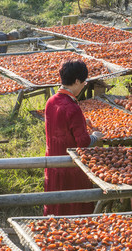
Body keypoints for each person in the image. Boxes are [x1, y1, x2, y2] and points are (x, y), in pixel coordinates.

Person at [44, 60, 103, 216]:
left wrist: (82, 122)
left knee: (55, 203)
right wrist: (95, 137)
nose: (84, 85)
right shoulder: (72, 107)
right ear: (77, 81)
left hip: (52, 161)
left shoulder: (51, 101)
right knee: (75, 206)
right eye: (83, 82)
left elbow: (60, 126)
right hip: (71, 165)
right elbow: (83, 142)